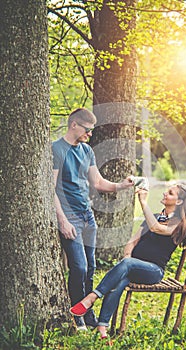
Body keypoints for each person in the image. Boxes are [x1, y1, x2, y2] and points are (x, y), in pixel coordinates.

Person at [69, 183, 186, 339]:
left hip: (154, 271)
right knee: (120, 281)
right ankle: (102, 327)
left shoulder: (180, 224)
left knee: (127, 266)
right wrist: (127, 257)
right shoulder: (154, 216)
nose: (164, 193)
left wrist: (143, 201)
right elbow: (133, 241)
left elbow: (157, 229)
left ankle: (92, 297)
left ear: (179, 202)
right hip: (133, 267)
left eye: (170, 193)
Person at [52, 107, 133, 330]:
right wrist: (62, 221)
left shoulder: (87, 151)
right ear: (74, 125)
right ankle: (75, 314)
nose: (90, 135)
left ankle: (86, 313)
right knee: (78, 267)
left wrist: (121, 186)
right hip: (70, 218)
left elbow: (97, 183)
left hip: (88, 216)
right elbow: (50, 189)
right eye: (87, 130)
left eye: (92, 131)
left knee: (90, 267)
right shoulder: (56, 149)